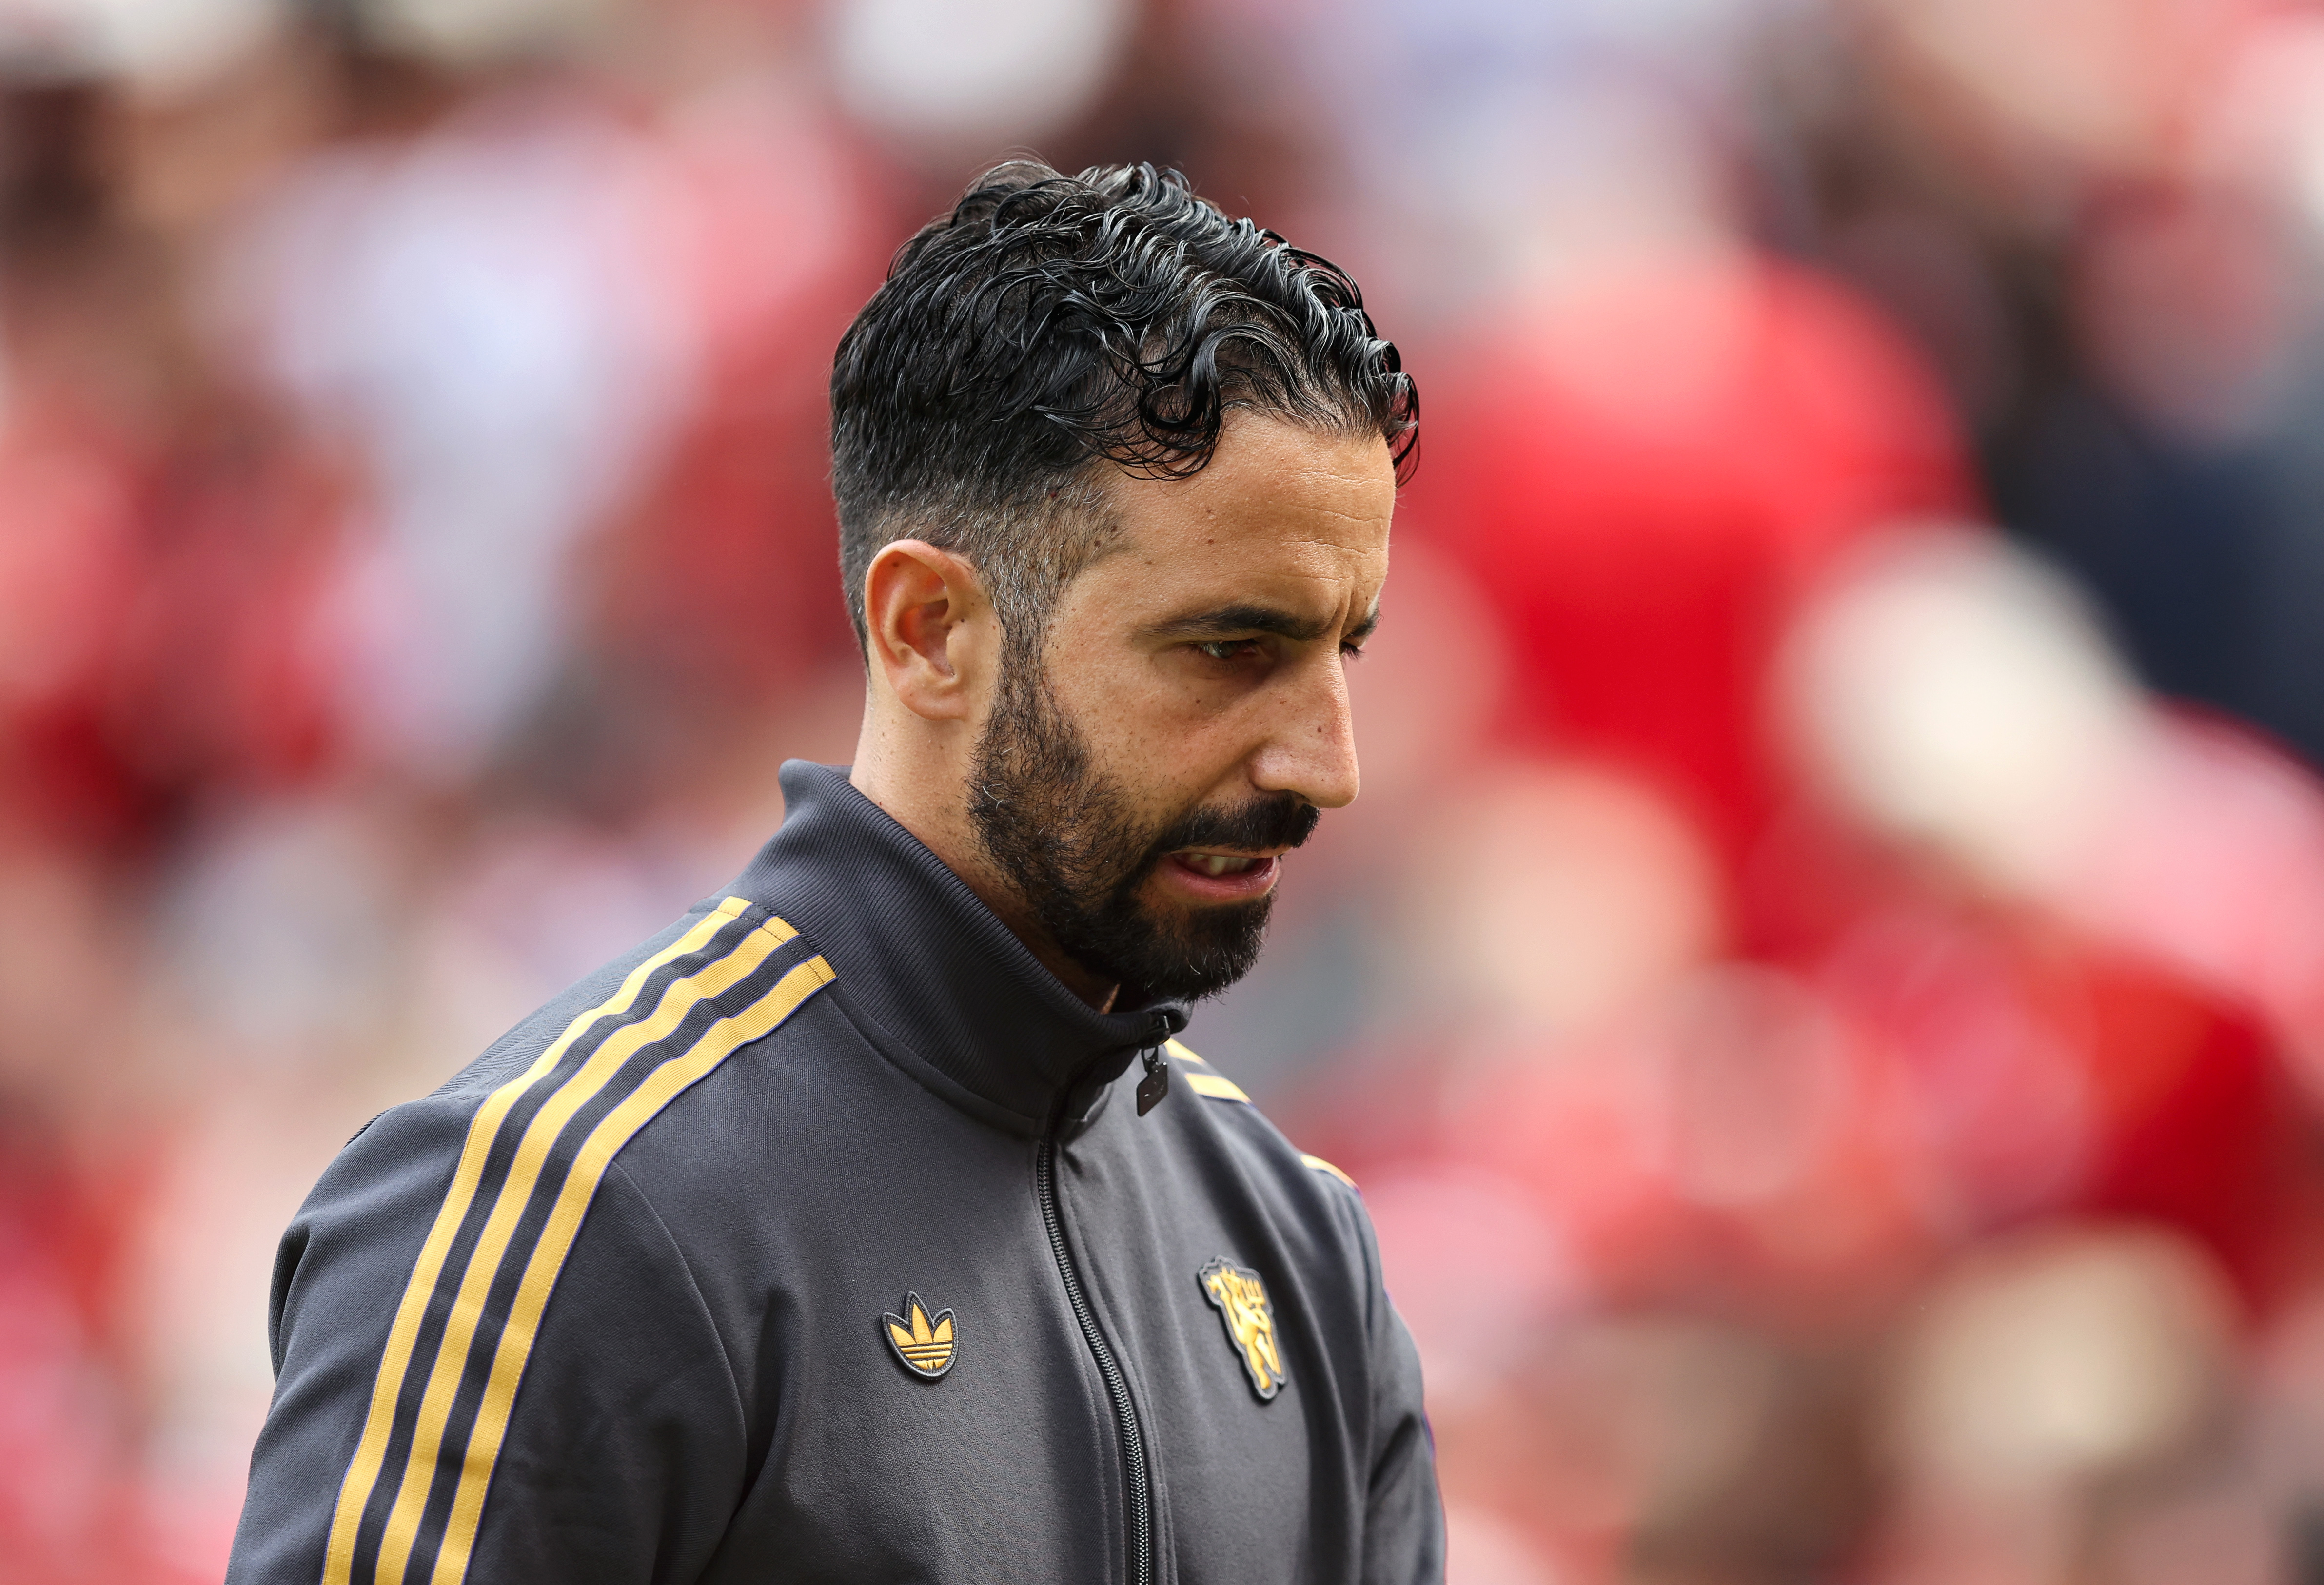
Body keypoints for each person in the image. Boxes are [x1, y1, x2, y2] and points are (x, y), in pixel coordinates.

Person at [225, 161, 1441, 1585]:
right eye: (1230, 650)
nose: (1324, 762)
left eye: (1340, 648)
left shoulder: (1297, 1247)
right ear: (928, 626)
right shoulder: (575, 1195)